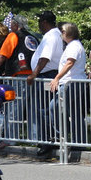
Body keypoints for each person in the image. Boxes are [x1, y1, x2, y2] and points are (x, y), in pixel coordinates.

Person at [47, 23, 88, 160]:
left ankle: (61, 136)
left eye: (63, 31)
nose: (61, 34)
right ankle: (78, 141)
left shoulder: (74, 46)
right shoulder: (72, 46)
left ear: (68, 32)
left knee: (54, 106)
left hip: (71, 83)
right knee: (75, 112)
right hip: (73, 83)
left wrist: (57, 78)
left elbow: (70, 63)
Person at [29, 11, 64, 154]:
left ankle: (48, 140)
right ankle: (50, 139)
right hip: (48, 74)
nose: (38, 25)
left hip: (46, 75)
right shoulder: (56, 35)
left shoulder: (51, 36)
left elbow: (45, 58)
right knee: (47, 108)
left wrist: (33, 74)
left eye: (39, 22)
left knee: (43, 109)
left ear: (44, 22)